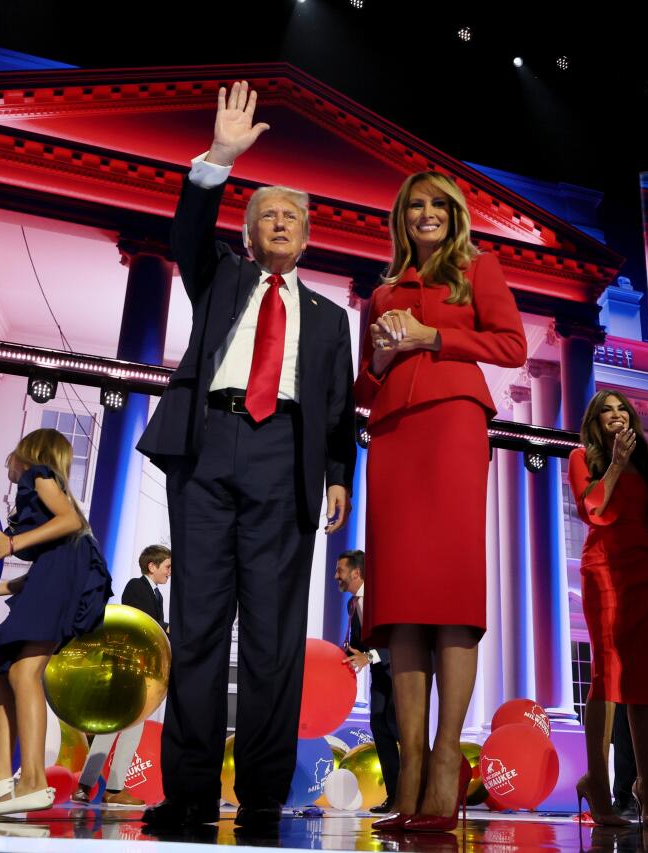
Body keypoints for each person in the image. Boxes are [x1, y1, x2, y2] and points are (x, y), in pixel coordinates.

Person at [135, 81, 356, 831]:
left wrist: (336, 477)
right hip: (208, 446)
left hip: (285, 456)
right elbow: (187, 239)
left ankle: (263, 793)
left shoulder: (329, 317)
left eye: (292, 215)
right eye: (267, 215)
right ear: (251, 232)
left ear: (308, 234)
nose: (281, 222)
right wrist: (218, 159)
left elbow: (337, 411)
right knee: (198, 623)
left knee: (273, 635)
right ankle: (189, 793)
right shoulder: (223, 275)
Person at [356, 170, 526, 833]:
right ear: (401, 219)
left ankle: (448, 761)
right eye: (414, 206)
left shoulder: (479, 269)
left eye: (436, 205)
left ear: (454, 216)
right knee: (398, 606)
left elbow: (513, 346)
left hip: (453, 427)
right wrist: (376, 354)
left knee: (451, 599)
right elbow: (364, 388)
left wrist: (433, 338)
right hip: (394, 437)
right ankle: (411, 769)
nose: (425, 213)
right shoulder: (381, 292)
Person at [0, 428, 113, 814]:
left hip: (65, 571)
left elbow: (71, 522)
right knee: (2, 665)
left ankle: (32, 781)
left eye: (11, 453)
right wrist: (4, 586)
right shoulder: (41, 487)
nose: (7, 461)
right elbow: (52, 560)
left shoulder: (37, 474)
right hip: (59, 572)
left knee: (24, 674)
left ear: (27, 453)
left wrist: (9, 544)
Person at [567, 390, 648, 827]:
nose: (616, 415)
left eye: (622, 409)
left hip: (644, 566)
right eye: (606, 410)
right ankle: (597, 781)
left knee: (646, 682)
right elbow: (591, 509)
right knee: (607, 674)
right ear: (596, 421)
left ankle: (647, 792)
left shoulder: (644, 463)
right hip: (604, 566)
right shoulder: (582, 458)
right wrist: (613, 464)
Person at [74, 544, 172, 808]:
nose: (169, 573)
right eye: (167, 567)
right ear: (152, 566)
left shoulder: (158, 595)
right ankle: (88, 785)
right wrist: (168, 627)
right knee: (114, 728)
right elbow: (141, 623)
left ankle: (112, 789)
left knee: (131, 730)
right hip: (127, 671)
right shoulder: (136, 586)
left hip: (141, 673)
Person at [333, 549, 398, 814]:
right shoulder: (352, 605)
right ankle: (396, 796)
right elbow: (358, 647)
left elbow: (397, 638)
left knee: (405, 733)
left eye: (340, 570)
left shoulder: (381, 597)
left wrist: (368, 657)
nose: (336, 575)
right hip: (381, 676)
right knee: (381, 729)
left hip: (401, 674)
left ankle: (422, 794)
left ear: (356, 572)